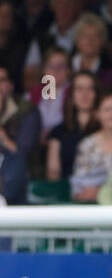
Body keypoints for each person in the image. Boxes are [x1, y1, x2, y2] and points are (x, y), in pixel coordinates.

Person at [69, 90, 112, 202]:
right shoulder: (87, 145)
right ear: (97, 114)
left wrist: (103, 191)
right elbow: (78, 190)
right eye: (107, 110)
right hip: (94, 210)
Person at [46, 70, 100, 185]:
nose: (85, 94)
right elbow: (53, 173)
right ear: (72, 95)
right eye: (79, 89)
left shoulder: (105, 128)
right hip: (66, 194)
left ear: (96, 93)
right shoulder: (58, 131)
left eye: (90, 88)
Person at [0, 63, 40, 204]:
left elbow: (22, 153)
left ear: (10, 85)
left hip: (22, 182)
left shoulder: (27, 110)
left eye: (1, 80)